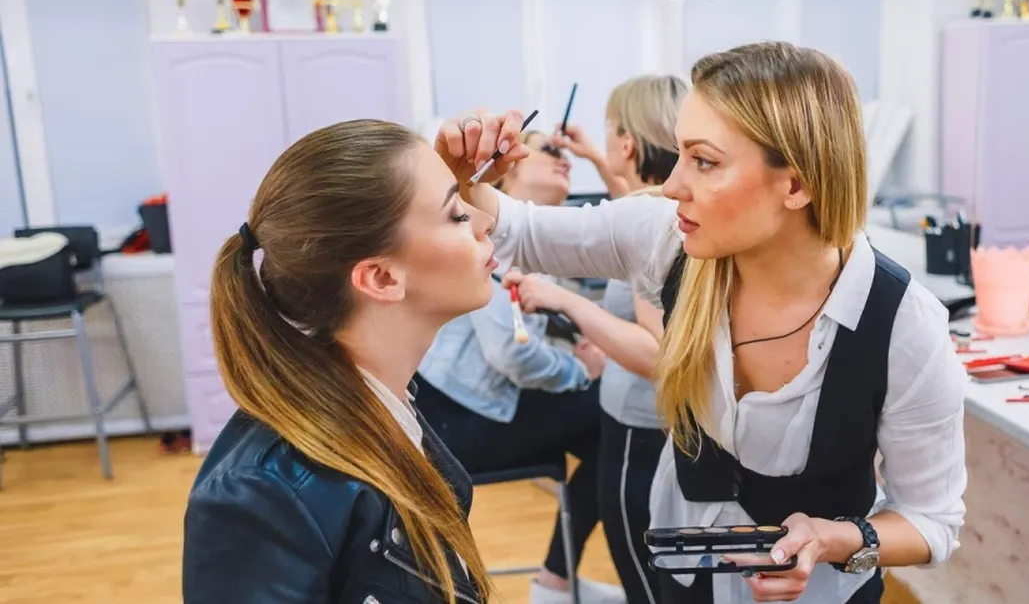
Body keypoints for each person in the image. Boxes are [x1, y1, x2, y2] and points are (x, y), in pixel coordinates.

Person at [434, 42, 968, 604]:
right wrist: (461, 173)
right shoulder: (668, 238)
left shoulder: (902, 328)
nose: (671, 186)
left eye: (704, 161)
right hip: (687, 576)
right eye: (679, 154)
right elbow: (516, 230)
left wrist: (836, 539)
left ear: (796, 185)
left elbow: (931, 521)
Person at [183, 119, 532, 603]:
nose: (485, 221)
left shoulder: (389, 405)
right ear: (381, 278)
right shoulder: (263, 492)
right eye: (456, 214)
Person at [414, 130, 619, 604]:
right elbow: (512, 353)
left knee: (608, 429)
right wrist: (580, 371)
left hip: (465, 409)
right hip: (457, 422)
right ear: (509, 173)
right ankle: (558, 580)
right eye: (550, 150)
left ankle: (557, 580)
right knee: (613, 416)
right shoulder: (490, 241)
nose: (565, 160)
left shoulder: (533, 248)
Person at [510, 74, 685, 604]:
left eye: (610, 131)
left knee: (645, 584)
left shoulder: (653, 225)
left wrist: (569, 303)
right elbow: (630, 210)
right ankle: (554, 579)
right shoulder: (668, 211)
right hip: (643, 423)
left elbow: (657, 353)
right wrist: (595, 157)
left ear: (626, 142)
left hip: (641, 426)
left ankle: (552, 582)